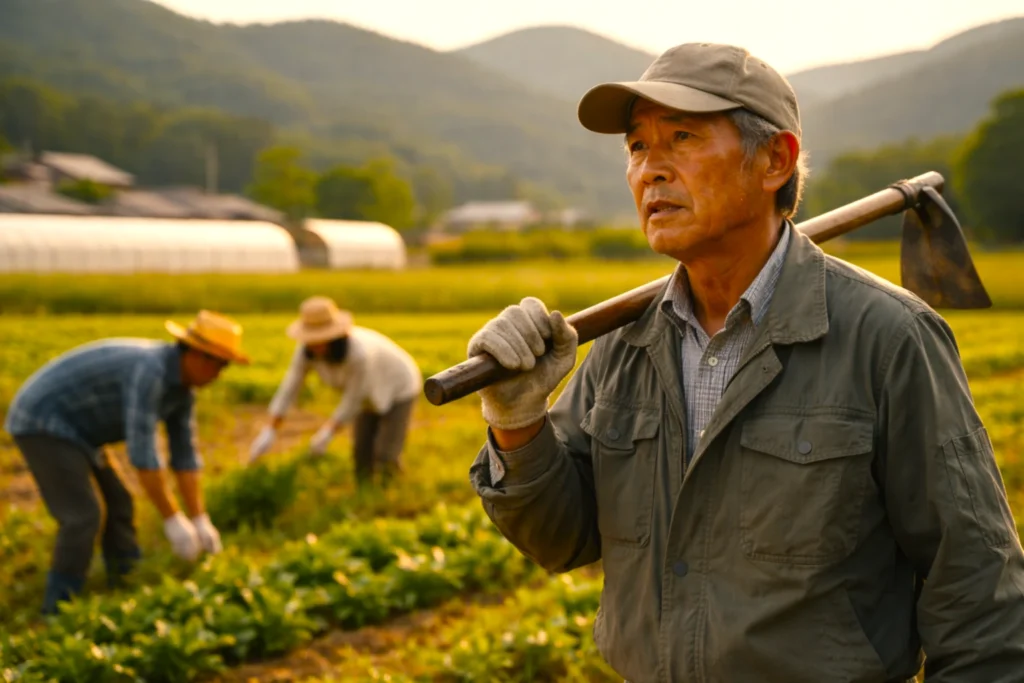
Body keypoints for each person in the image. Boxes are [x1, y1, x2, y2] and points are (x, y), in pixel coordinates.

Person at [464, 42, 1024, 682]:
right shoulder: (624, 346)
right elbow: (560, 538)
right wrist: (517, 420)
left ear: (774, 160)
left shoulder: (888, 338)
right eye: (638, 147)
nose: (651, 170)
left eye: (682, 138)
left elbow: (978, 592)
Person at [4, 310, 248, 615]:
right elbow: (144, 454)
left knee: (119, 502)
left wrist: (200, 519)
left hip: (83, 431)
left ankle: (125, 582)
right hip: (43, 420)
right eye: (219, 365)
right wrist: (173, 520)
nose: (219, 374)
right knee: (84, 516)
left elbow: (184, 456)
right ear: (198, 356)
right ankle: (58, 608)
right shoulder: (151, 372)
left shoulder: (183, 392)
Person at [249, 295, 421, 486]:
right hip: (366, 394)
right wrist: (270, 429)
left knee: (385, 453)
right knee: (361, 452)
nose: (315, 344)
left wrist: (327, 432)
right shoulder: (306, 352)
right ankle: (365, 493)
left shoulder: (358, 354)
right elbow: (290, 386)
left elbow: (353, 399)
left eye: (320, 339)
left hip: (399, 386)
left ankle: (393, 491)